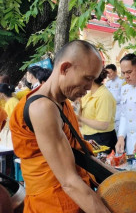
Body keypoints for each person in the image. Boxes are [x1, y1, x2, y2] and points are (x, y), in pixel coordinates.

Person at [10, 40, 112, 213]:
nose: (88, 87)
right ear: (65, 68)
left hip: (77, 200)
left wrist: (122, 177)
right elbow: (69, 182)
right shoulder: (42, 108)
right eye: (87, 78)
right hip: (53, 205)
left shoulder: (60, 103)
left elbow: (80, 155)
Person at [79, 68, 117, 153]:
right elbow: (80, 122)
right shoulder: (88, 95)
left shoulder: (104, 96)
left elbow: (103, 125)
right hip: (89, 137)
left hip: (102, 139)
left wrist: (80, 118)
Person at [104, 64, 123, 133]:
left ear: (115, 71)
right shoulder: (108, 83)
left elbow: (123, 97)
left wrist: (111, 100)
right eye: (107, 73)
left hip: (119, 112)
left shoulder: (122, 82)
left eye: (110, 72)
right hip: (110, 113)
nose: (109, 75)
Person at [0, 83, 19, 148]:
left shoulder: (12, 102)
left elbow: (14, 120)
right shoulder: (10, 102)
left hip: (13, 133)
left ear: (2, 94)